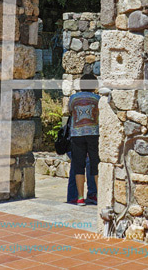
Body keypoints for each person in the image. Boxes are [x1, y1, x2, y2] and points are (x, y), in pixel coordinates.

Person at [67, 72, 100, 206]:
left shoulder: (73, 98)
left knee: (79, 166)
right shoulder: (97, 98)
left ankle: (80, 198)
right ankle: (99, 194)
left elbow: (70, 111)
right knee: (95, 165)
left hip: (77, 135)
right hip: (93, 134)